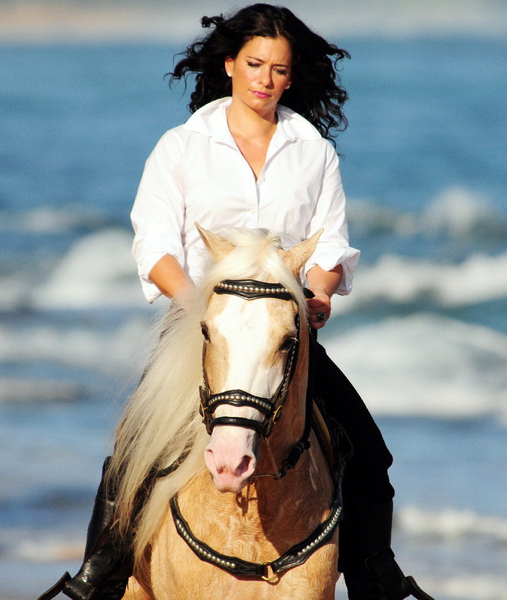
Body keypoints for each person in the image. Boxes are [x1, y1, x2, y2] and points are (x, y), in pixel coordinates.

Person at [41, 5, 433, 600]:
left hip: (282, 337)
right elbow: (154, 247)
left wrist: (319, 293)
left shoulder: (313, 152)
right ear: (229, 64)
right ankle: (100, 577)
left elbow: (330, 245)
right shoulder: (181, 147)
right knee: (130, 453)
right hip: (200, 332)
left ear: (292, 76)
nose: (265, 80)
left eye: (279, 69)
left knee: (369, 452)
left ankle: (375, 576)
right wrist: (199, 306)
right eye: (254, 64)